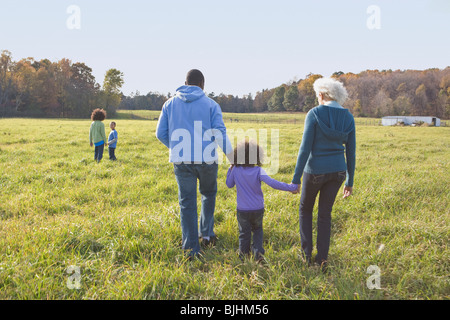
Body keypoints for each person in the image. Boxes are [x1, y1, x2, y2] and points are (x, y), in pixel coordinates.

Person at [156, 69, 233, 258]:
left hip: (181, 160)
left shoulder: (169, 104)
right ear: (202, 85)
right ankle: (206, 235)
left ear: (185, 82)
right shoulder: (211, 105)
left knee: (187, 203)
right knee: (208, 194)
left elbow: (160, 134)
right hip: (207, 159)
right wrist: (233, 158)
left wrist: (176, 147)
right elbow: (219, 133)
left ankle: (190, 249)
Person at [291, 77, 356, 272]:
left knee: (305, 210)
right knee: (325, 215)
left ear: (321, 94)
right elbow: (351, 152)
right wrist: (350, 181)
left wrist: (295, 180)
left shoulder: (314, 114)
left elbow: (304, 149)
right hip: (338, 172)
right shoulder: (349, 117)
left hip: (315, 171)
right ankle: (322, 260)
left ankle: (305, 254)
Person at [226, 139, 299, 262]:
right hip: (258, 209)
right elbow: (273, 184)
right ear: (257, 156)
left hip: (242, 210)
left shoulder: (236, 170)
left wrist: (230, 169)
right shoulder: (258, 171)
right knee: (258, 231)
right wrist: (292, 187)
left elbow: (229, 184)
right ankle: (258, 254)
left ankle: (243, 257)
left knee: (244, 233)